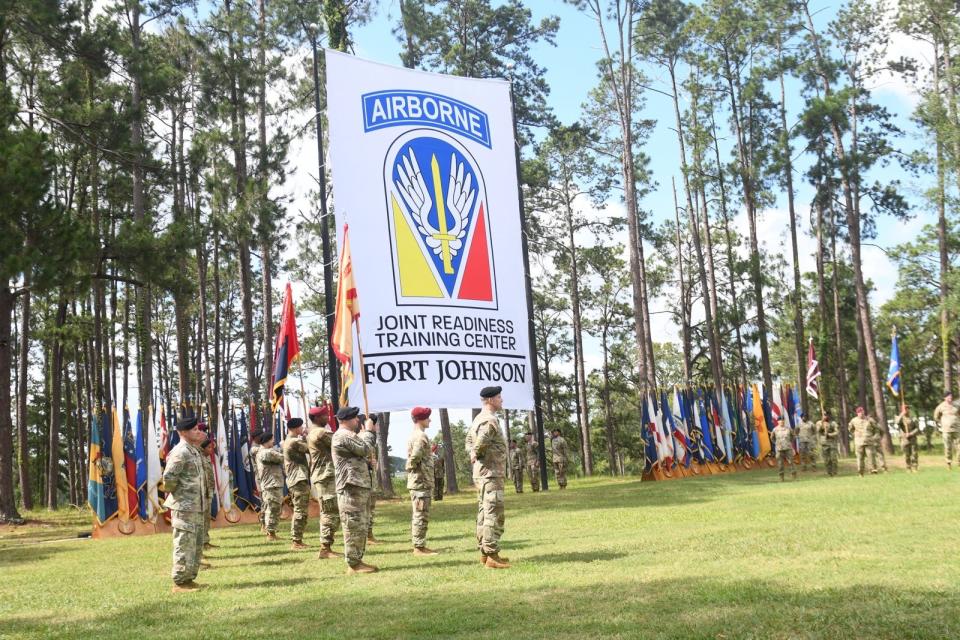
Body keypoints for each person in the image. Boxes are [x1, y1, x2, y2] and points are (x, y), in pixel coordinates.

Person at [162, 416, 209, 593]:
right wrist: (182, 495)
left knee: (195, 545)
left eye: (198, 429)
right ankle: (180, 582)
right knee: (184, 543)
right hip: (184, 506)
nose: (198, 432)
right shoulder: (180, 452)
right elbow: (168, 479)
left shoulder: (193, 451)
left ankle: (188, 579)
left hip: (196, 506)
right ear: (182, 432)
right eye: (194, 429)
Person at [331, 406, 379, 574]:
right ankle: (353, 563)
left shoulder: (348, 436)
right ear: (346, 420)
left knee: (360, 525)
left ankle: (357, 560)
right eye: (355, 418)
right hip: (351, 488)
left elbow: (356, 457)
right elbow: (365, 448)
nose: (358, 421)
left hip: (357, 486)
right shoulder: (343, 435)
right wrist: (369, 431)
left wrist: (366, 464)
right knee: (353, 525)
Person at [469, 386, 510, 569]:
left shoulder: (478, 418)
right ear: (491, 400)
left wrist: (474, 453)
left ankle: (486, 553)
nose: (502, 400)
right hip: (490, 473)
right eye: (499, 397)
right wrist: (476, 453)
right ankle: (492, 555)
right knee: (493, 512)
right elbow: (478, 443)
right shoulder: (489, 420)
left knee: (484, 512)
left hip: (484, 473)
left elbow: (468, 442)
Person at [307, 405, 339, 559]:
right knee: (329, 512)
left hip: (324, 475)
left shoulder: (313, 432)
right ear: (318, 418)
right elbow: (340, 442)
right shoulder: (320, 433)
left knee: (330, 511)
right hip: (325, 476)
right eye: (325, 415)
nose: (328, 417)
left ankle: (327, 546)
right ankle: (325, 548)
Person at [406, 407, 438, 556]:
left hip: (420, 481)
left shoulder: (415, 435)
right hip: (420, 482)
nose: (429, 420)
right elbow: (415, 457)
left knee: (421, 513)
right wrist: (411, 469)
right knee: (420, 514)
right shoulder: (421, 436)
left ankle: (420, 545)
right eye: (427, 417)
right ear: (421, 419)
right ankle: (419, 547)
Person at [282, 417, 311, 550]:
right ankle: (296, 541)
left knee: (301, 510)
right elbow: (310, 449)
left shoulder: (291, 441)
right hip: (298, 479)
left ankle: (298, 539)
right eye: (301, 427)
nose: (302, 428)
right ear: (295, 428)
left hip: (298, 479)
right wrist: (308, 435)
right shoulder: (293, 442)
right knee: (300, 510)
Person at [255, 431, 284, 541]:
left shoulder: (267, 451)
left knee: (275, 508)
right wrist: (284, 447)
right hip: (271, 485)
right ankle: (270, 534)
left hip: (273, 484)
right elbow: (282, 458)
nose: (274, 441)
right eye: (272, 439)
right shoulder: (265, 453)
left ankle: (272, 532)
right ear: (267, 441)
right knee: (272, 509)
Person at [360, 413, 382, 544]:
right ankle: (367, 535)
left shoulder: (371, 438)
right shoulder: (363, 437)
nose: (378, 426)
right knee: (366, 508)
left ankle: (369, 534)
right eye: (376, 424)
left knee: (371, 507)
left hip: (370, 477)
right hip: (364, 479)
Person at [198, 436, 216, 562]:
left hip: (208, 492)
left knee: (206, 519)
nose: (211, 450)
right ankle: (202, 544)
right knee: (202, 520)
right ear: (202, 448)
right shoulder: (199, 458)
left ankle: (206, 541)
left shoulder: (206, 458)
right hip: (202, 493)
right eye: (209, 447)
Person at [848, 406, 879, 476]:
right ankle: (860, 472)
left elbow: (876, 429)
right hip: (859, 442)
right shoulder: (853, 420)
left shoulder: (870, 420)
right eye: (859, 412)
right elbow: (850, 429)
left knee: (871, 456)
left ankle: (873, 470)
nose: (861, 413)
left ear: (864, 412)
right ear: (857, 413)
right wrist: (856, 434)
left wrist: (874, 437)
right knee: (860, 458)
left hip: (869, 441)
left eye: (862, 411)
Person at [934, 392, 958, 469]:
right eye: (948, 397)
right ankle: (949, 463)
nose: (950, 398)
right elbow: (936, 417)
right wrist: (941, 423)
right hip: (946, 430)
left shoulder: (956, 405)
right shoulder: (940, 407)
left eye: (951, 396)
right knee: (948, 447)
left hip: (957, 429)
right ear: (945, 398)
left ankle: (959, 462)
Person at [247, 428, 265, 533]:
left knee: (266, 501)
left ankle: (267, 524)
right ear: (256, 438)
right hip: (261, 478)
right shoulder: (254, 448)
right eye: (261, 436)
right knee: (264, 502)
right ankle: (263, 524)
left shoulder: (259, 447)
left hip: (265, 477)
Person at [817, 410, 840, 477]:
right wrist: (822, 422)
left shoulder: (833, 423)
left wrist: (830, 434)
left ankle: (834, 472)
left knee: (833, 459)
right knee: (827, 460)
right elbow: (818, 430)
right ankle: (829, 472)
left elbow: (837, 432)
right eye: (824, 415)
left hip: (832, 443)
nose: (826, 416)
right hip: (824, 443)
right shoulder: (819, 423)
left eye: (827, 415)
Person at [898, 405, 920, 473]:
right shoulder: (900, 418)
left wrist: (911, 433)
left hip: (912, 438)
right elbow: (897, 422)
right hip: (904, 439)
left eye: (907, 409)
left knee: (914, 454)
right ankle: (908, 467)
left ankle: (915, 467)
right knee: (906, 455)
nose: (906, 410)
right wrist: (901, 414)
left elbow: (917, 428)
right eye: (904, 409)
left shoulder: (913, 418)